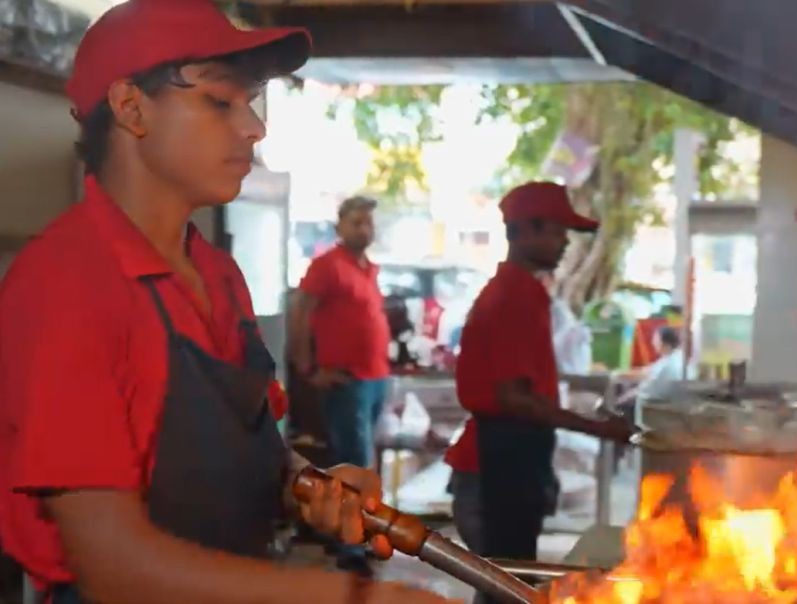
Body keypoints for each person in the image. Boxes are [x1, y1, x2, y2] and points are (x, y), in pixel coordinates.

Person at [0, 2, 448, 603]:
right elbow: (112, 567)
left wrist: (309, 486)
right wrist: (350, 598)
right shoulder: (67, 284)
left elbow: (248, 451)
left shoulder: (217, 273)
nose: (254, 127)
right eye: (220, 102)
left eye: (253, 101)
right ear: (131, 107)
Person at [444, 182, 634, 603]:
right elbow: (514, 399)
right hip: (496, 464)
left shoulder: (516, 289)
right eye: (556, 230)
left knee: (503, 586)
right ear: (525, 231)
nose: (565, 241)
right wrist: (599, 429)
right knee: (508, 589)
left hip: (502, 459)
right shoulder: (517, 295)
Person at [288, 196, 392, 571]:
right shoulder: (326, 266)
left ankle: (359, 537)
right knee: (353, 467)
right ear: (339, 227)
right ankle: (350, 549)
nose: (364, 228)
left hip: (377, 379)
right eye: (356, 222)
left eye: (368, 222)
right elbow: (301, 311)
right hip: (347, 383)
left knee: (368, 467)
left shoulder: (369, 269)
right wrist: (307, 367)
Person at [617, 325, 686, 405]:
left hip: (656, 404)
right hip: (670, 400)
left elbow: (646, 389)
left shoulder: (666, 365)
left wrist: (621, 399)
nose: (653, 343)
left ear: (664, 343)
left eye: (656, 339)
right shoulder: (678, 356)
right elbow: (649, 370)